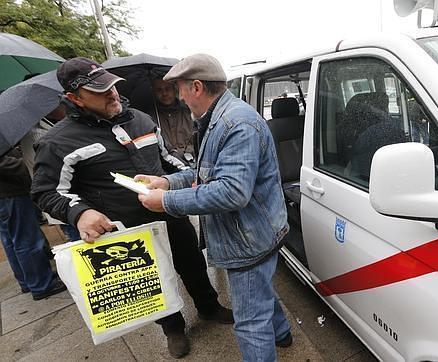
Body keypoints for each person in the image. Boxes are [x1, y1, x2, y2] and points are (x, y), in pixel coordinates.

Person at [30, 57, 233, 358]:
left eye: (111, 86)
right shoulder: (58, 142)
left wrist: (187, 180)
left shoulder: (140, 119)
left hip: (168, 212)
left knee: (191, 262)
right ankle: (173, 328)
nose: (111, 94)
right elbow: (46, 192)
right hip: (126, 229)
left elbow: (167, 160)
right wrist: (80, 213)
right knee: (152, 279)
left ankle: (208, 306)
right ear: (74, 98)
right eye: (99, 91)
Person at [136, 54, 292, 361]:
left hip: (248, 238)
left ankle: (277, 335)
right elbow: (205, 173)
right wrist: (167, 183)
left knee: (250, 323)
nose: (178, 96)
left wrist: (166, 202)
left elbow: (231, 192)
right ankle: (283, 332)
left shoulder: (236, 123)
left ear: (196, 86)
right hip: (255, 232)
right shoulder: (217, 118)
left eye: (179, 88)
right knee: (258, 289)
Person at [0, 147, 67, 300]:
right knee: (27, 239)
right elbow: (5, 164)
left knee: (11, 239)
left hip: (6, 194)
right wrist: (28, 164)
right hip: (10, 192)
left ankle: (28, 280)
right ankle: (41, 283)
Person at [20, 104, 81, 242]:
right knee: (80, 241)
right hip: (63, 199)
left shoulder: (39, 130)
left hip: (63, 201)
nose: (66, 107)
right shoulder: (40, 135)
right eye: (61, 104)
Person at [148, 79, 196, 166]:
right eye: (159, 90)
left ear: (175, 89)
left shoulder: (190, 111)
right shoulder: (149, 118)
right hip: (168, 168)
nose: (164, 93)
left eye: (167, 88)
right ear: (154, 92)